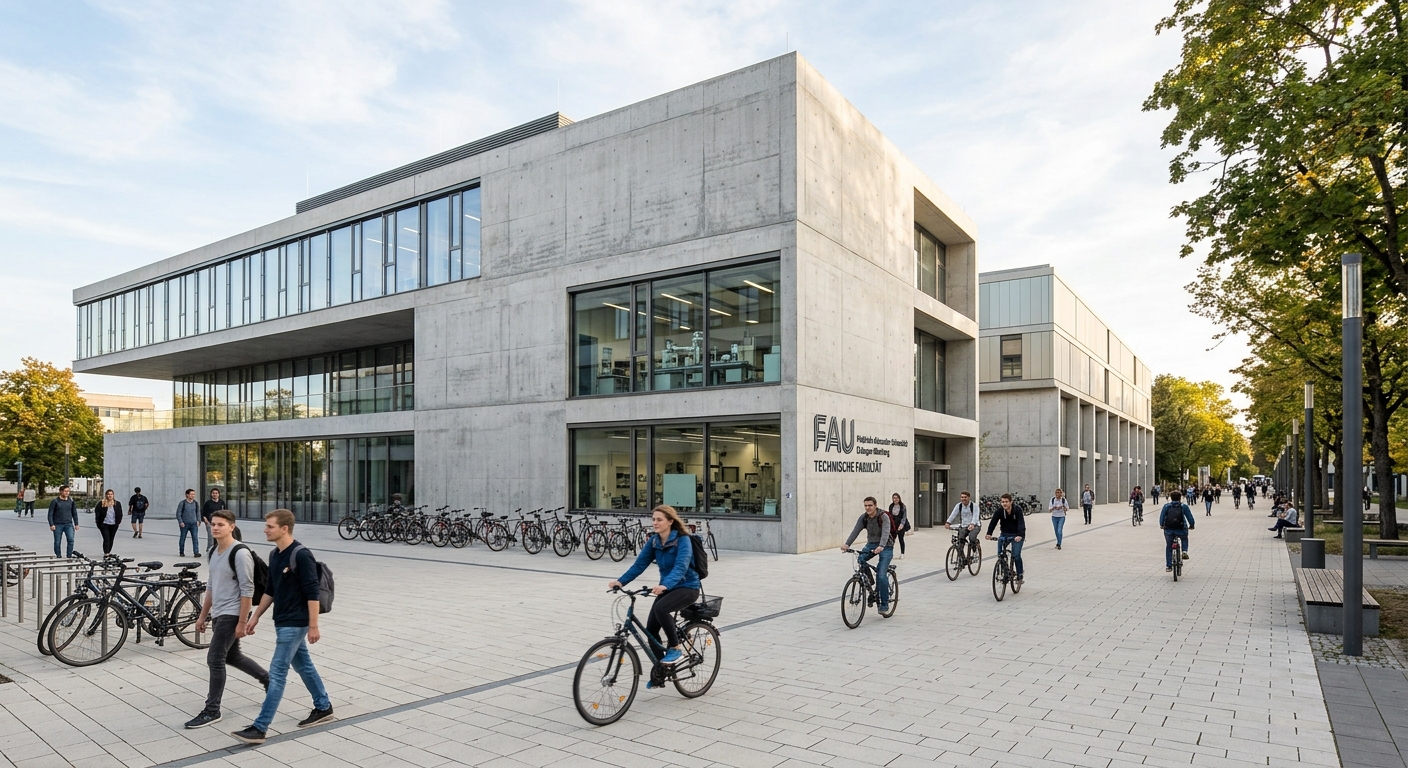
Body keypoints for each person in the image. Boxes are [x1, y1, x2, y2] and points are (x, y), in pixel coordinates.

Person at [232, 510, 333, 744]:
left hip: (295, 623)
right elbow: (271, 590)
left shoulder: (301, 555)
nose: (265, 530)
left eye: (269, 526)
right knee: (304, 666)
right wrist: (255, 616)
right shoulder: (275, 554)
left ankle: (260, 727)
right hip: (282, 621)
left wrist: (313, 625)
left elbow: (312, 592)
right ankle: (324, 707)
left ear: (284, 528)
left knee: (277, 673)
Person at [186, 510, 269, 729]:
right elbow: (212, 585)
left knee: (215, 659)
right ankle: (268, 680)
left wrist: (242, 622)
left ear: (231, 527)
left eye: (220, 524)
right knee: (232, 656)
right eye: (213, 524)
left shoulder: (240, 553)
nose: (215, 528)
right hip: (220, 613)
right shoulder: (213, 551)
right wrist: (202, 615)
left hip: (233, 614)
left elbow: (247, 590)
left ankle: (212, 710)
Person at [608, 505, 701, 689]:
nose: (655, 523)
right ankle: (663, 671)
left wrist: (666, 584)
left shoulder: (683, 540)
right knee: (651, 632)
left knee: (661, 608)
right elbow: (639, 565)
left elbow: (681, 566)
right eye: (653, 519)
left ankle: (675, 648)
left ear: (670, 521)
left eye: (659, 519)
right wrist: (621, 582)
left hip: (687, 587)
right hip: (667, 587)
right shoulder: (654, 541)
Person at [840, 497, 894, 613]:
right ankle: (871, 585)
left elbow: (886, 533)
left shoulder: (883, 517)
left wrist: (881, 546)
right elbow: (855, 531)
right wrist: (847, 544)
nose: (867, 508)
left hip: (886, 546)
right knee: (861, 559)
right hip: (871, 544)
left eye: (870, 505)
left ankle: (884, 604)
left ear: (875, 505)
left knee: (881, 574)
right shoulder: (864, 517)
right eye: (865, 506)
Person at [985, 494, 1026, 584]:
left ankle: (1019, 575)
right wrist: (989, 533)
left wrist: (1020, 535)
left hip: (1017, 535)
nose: (1004, 504)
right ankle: (1004, 571)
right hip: (1005, 534)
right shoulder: (999, 511)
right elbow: (993, 522)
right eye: (1002, 502)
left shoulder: (1017, 510)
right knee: (1000, 554)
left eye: (1006, 502)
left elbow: (1021, 524)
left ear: (1011, 502)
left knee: (1016, 555)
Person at [1158, 491, 1195, 572]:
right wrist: (1191, 525)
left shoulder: (1166, 506)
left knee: (1169, 546)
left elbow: (1162, 516)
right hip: (1181, 529)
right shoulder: (1183, 506)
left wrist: (1161, 525)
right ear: (1180, 497)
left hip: (1169, 529)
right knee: (1184, 538)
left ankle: (1169, 566)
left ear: (1171, 497)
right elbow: (1189, 517)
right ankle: (1184, 551)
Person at [47, 485, 80, 558]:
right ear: (61, 492)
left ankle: (69, 555)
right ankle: (58, 555)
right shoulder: (55, 501)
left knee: (71, 539)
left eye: (68, 491)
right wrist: (51, 524)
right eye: (65, 491)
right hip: (58, 524)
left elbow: (74, 513)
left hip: (68, 524)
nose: (67, 493)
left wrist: (76, 524)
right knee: (57, 541)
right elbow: (50, 514)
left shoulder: (71, 501)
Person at [946, 491, 980, 556]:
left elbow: (975, 516)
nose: (963, 499)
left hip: (975, 525)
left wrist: (972, 524)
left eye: (965, 497)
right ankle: (962, 561)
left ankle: (975, 550)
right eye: (962, 497)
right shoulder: (959, 506)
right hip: (964, 525)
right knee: (960, 541)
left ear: (969, 498)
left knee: (972, 538)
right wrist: (948, 522)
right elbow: (953, 514)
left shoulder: (974, 506)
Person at [93, 489, 123, 555]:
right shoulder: (101, 503)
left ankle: (108, 552)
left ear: (113, 495)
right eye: (108, 494)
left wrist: (118, 522)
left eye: (111, 494)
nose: (110, 496)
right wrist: (98, 523)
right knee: (106, 538)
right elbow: (97, 513)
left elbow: (120, 513)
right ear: (106, 495)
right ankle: (106, 553)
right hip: (104, 524)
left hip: (114, 524)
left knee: (111, 539)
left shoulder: (117, 503)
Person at [202, 488, 228, 556]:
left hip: (219, 523)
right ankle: (210, 550)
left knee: (219, 536)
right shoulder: (208, 503)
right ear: (211, 494)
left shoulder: (222, 502)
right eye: (213, 493)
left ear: (218, 494)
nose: (215, 494)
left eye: (216, 493)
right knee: (211, 537)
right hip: (210, 522)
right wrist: (205, 519)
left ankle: (218, 549)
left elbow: (225, 512)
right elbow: (203, 512)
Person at [176, 489, 201, 557]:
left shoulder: (195, 503)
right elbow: (178, 513)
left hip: (194, 524)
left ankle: (196, 552)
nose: (192, 496)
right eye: (191, 494)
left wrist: (199, 520)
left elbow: (198, 512)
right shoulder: (182, 503)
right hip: (184, 524)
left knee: (195, 538)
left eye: (193, 494)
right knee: (183, 538)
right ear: (187, 495)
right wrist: (180, 522)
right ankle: (181, 551)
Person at [888, 494, 911, 559]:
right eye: (894, 498)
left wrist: (901, 525)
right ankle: (890, 553)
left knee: (901, 539)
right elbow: (890, 516)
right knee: (892, 539)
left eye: (897, 498)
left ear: (899, 499)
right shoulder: (891, 506)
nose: (895, 499)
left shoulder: (902, 506)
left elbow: (904, 516)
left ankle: (902, 553)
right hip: (893, 524)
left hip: (900, 524)